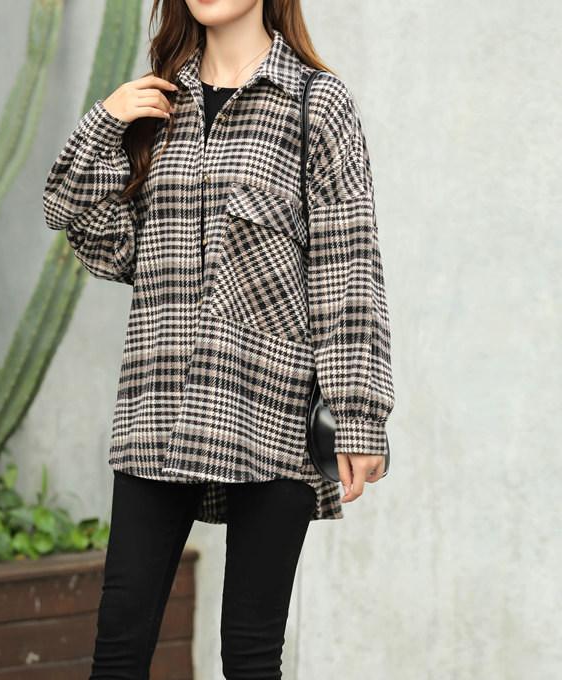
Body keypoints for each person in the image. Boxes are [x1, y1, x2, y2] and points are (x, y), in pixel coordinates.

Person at [42, 1, 395, 678]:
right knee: (118, 650)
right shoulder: (156, 104)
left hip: (271, 410)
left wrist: (359, 416)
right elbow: (92, 232)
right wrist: (105, 122)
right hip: (157, 407)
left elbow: (348, 269)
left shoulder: (316, 104)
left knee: (251, 658)